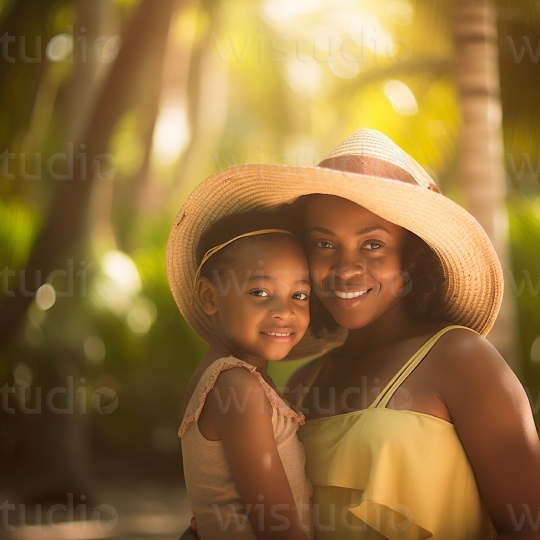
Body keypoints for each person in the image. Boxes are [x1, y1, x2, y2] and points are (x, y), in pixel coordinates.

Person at [170, 129, 540, 539]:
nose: (346, 268)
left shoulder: (460, 359)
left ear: (411, 256)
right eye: (324, 244)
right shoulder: (299, 387)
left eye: (373, 245)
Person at [169, 209, 314, 539]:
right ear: (210, 297)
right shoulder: (236, 385)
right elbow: (277, 529)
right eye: (260, 292)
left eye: (300, 295)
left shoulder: (224, 378)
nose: (286, 311)